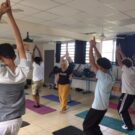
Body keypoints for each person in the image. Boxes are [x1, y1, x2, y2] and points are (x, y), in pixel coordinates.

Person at [0, 0, 29, 134]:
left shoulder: (1, 73)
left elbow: (20, 47)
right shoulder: (22, 72)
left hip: (2, 121)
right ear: (14, 56)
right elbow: (20, 46)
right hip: (17, 121)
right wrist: (10, 15)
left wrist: (1, 13)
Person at [83, 38, 113, 135]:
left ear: (101, 68)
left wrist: (91, 47)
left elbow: (92, 61)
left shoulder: (103, 76)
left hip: (98, 108)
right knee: (94, 126)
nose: (97, 66)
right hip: (103, 107)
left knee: (87, 126)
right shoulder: (110, 74)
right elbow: (100, 58)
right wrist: (95, 46)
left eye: (99, 66)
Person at [116, 46, 135, 130]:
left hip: (127, 93)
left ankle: (128, 126)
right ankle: (128, 123)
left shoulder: (126, 69)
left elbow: (120, 61)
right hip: (130, 93)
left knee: (121, 110)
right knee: (122, 108)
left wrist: (117, 52)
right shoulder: (132, 68)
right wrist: (120, 51)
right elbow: (125, 60)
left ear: (124, 65)